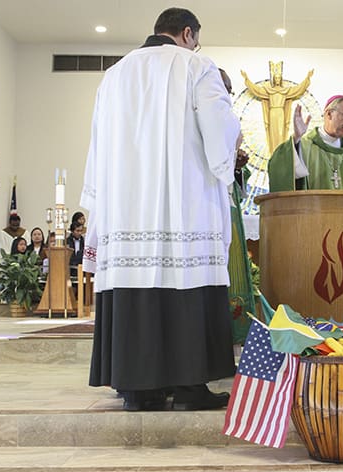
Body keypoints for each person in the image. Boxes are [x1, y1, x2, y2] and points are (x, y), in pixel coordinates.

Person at [80, 7, 241, 412]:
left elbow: (98, 144)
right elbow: (219, 132)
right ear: (187, 34)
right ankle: (189, 387)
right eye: (196, 39)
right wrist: (230, 154)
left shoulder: (113, 76)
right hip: (182, 205)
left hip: (125, 208)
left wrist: (100, 200)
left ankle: (138, 389)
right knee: (185, 278)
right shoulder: (197, 66)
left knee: (136, 283)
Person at [220, 68, 255, 344]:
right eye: (226, 88)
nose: (229, 95)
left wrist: (237, 167)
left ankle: (235, 331)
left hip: (228, 207)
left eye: (231, 90)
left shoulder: (229, 122)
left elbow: (232, 179)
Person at [241, 62, 313, 153]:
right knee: (273, 133)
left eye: (279, 78)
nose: (278, 79)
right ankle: (274, 151)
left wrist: (307, 78)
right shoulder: (268, 91)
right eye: (276, 78)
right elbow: (256, 90)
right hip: (272, 112)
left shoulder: (285, 91)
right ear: (274, 79)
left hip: (281, 112)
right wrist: (246, 79)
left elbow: (298, 89)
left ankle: (280, 152)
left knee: (280, 132)